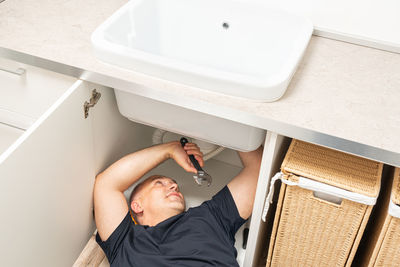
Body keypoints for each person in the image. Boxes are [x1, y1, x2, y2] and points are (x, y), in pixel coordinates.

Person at [94, 140, 263, 266]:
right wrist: (170, 149)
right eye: (159, 183)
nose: (174, 185)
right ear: (137, 206)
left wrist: (233, 121)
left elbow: (259, 170)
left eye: (173, 183)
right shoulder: (125, 243)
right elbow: (107, 184)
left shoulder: (211, 217)